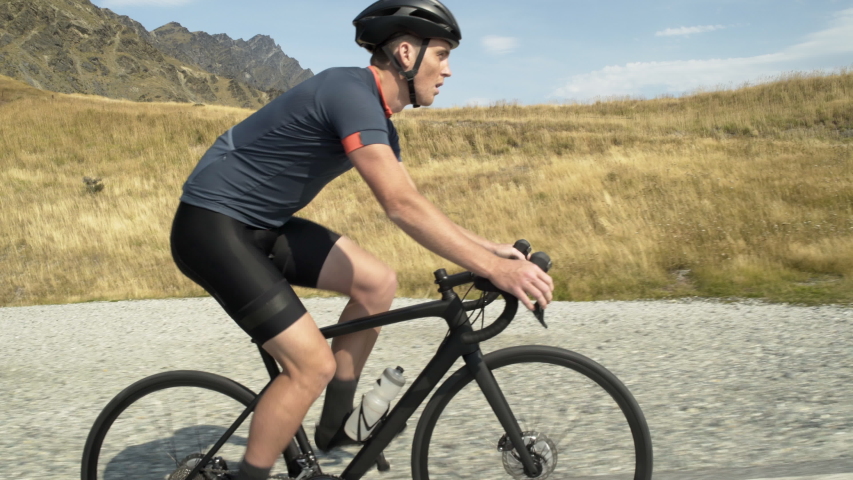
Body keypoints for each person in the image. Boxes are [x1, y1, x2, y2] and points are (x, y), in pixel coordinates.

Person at [169, 1, 554, 479]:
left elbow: (413, 201)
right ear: (407, 53)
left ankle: (336, 430)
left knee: (376, 283)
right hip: (211, 227)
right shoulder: (348, 90)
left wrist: (489, 249)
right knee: (310, 366)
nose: (448, 71)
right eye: (443, 55)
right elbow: (399, 205)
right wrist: (498, 270)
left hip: (261, 226)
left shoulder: (377, 119)